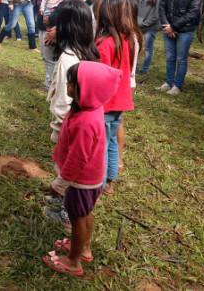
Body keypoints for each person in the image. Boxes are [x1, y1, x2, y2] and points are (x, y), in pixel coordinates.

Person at [42, 61, 121, 277]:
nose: (67, 85)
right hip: (89, 180)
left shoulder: (86, 121)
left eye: (72, 83)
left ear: (86, 89)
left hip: (80, 181)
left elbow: (78, 159)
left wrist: (59, 184)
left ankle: (73, 261)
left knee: (77, 218)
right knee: (85, 213)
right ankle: (84, 248)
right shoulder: (90, 107)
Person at [93, 0, 140, 194]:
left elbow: (98, 77)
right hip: (120, 102)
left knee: (100, 146)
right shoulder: (126, 39)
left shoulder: (103, 43)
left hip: (104, 103)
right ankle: (110, 182)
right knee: (111, 141)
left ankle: (98, 185)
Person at [48, 0, 100, 144]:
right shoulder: (90, 52)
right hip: (84, 128)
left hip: (70, 132)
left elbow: (63, 102)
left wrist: (59, 132)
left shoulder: (67, 59)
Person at [157, 0, 203, 95]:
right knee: (170, 57)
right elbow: (162, 7)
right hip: (168, 28)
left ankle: (177, 86)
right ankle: (169, 82)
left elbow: (192, 12)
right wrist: (166, 25)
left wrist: (174, 27)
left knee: (181, 59)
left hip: (185, 30)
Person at [135, 0, 162, 75]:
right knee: (136, 46)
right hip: (139, 23)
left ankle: (144, 69)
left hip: (151, 26)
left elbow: (156, 15)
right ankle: (135, 67)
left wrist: (143, 23)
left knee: (148, 47)